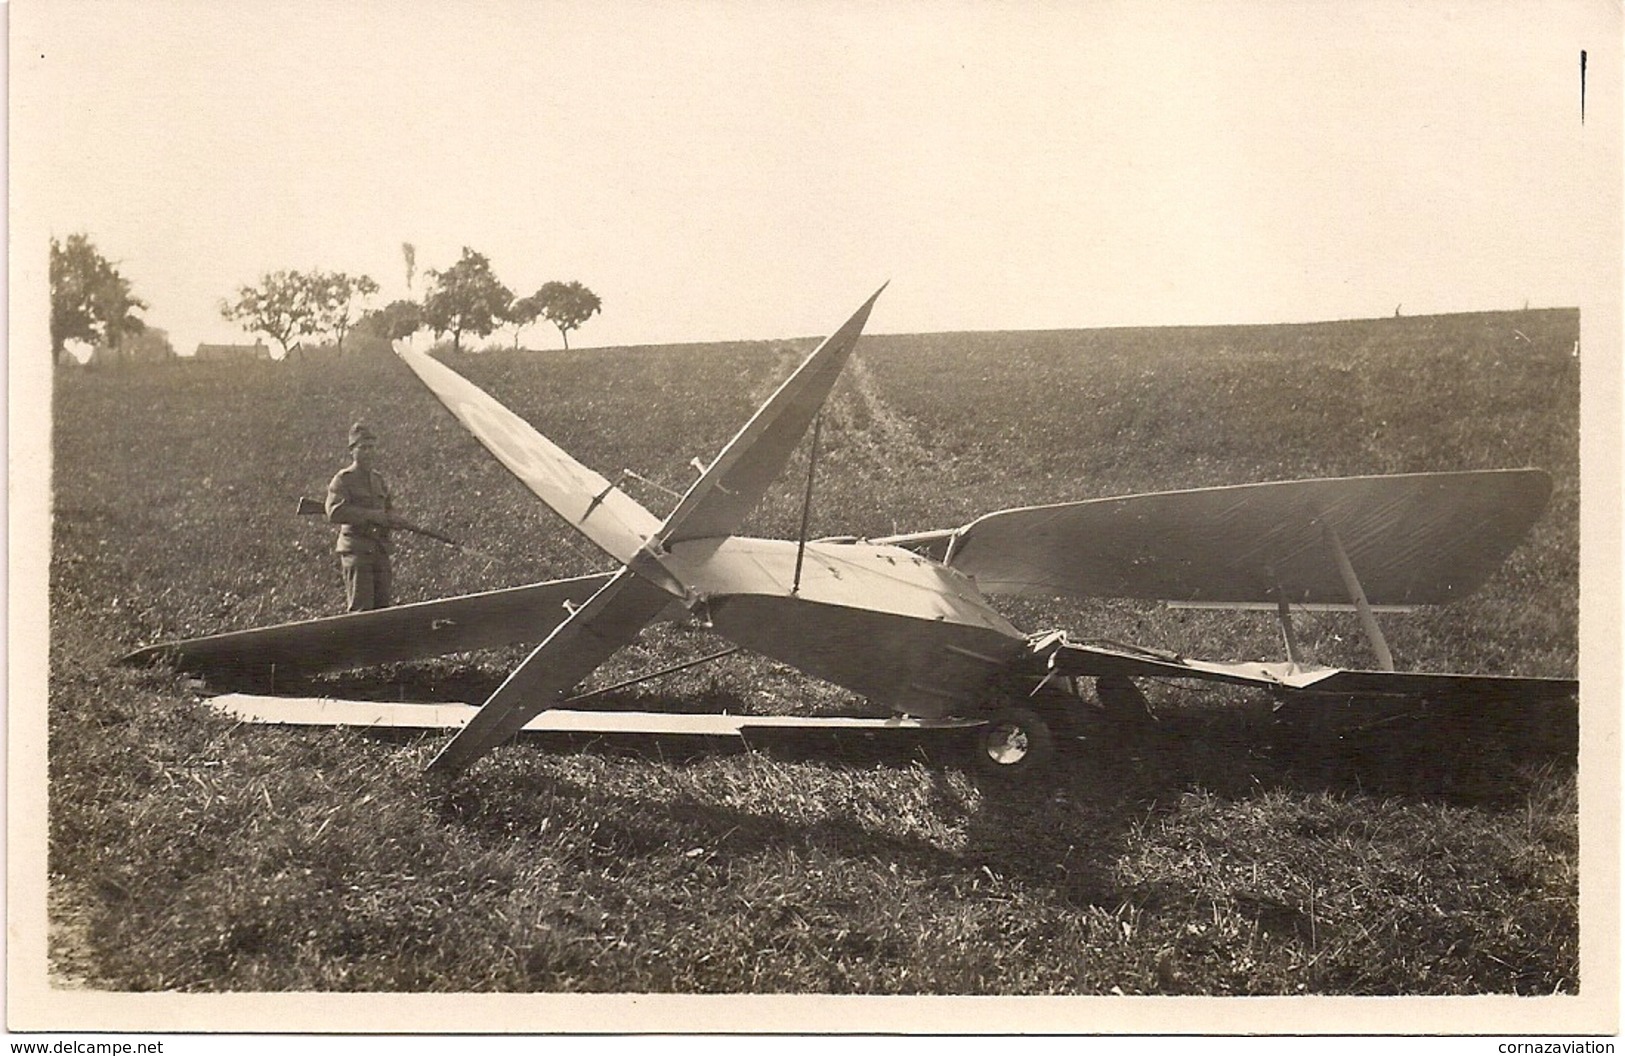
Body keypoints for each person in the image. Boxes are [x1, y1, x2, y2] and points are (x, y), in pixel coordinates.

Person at [326, 422, 398, 611]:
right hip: (357, 552)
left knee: (384, 609)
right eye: (363, 448)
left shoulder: (378, 479)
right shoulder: (343, 479)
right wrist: (370, 515)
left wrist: (393, 520)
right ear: (352, 450)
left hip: (379, 550)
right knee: (361, 610)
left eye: (372, 447)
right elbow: (334, 512)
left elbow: (388, 510)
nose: (368, 452)